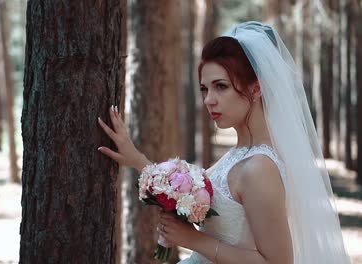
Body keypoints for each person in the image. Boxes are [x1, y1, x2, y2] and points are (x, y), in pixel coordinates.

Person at [97, 21, 350, 264]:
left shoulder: (260, 168)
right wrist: (138, 160)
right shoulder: (240, 153)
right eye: (205, 89)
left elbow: (278, 261)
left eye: (221, 86)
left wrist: (193, 239)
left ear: (255, 89)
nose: (208, 100)